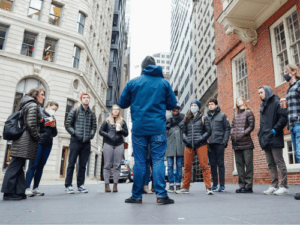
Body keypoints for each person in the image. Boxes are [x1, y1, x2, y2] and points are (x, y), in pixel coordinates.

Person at [119, 56, 177, 204]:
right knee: (158, 160)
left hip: (139, 128)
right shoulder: (164, 83)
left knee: (139, 162)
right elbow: (172, 104)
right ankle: (161, 196)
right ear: (155, 66)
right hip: (158, 128)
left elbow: (122, 103)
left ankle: (137, 196)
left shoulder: (133, 82)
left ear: (142, 68)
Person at [2, 87, 44, 200]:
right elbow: (31, 124)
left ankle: (18, 191)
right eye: (42, 94)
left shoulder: (27, 104)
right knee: (15, 165)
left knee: (19, 165)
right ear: (36, 95)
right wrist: (37, 136)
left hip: (23, 139)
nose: (43, 97)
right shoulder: (33, 105)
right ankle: (8, 192)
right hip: (25, 139)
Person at [176, 100, 213, 195]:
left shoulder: (204, 118)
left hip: (201, 144)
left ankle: (208, 188)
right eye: (192, 105)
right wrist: (186, 140)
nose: (193, 106)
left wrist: (200, 139)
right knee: (187, 167)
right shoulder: (186, 118)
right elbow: (183, 132)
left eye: (195, 105)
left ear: (199, 107)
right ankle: (185, 187)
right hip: (188, 145)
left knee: (204, 166)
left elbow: (208, 131)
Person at [257, 86, 289, 195]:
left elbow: (284, 117)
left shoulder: (276, 102)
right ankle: (274, 185)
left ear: (267, 92)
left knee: (279, 162)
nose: (260, 95)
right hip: (265, 138)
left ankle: (284, 186)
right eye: (258, 93)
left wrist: (275, 129)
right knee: (270, 163)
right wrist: (260, 134)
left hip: (275, 136)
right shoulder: (262, 105)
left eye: (261, 92)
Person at [65, 92, 97, 194]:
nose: (86, 99)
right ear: (81, 99)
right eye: (84, 98)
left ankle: (81, 185)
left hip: (86, 143)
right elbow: (67, 124)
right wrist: (75, 134)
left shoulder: (92, 114)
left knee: (83, 165)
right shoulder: (75, 110)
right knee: (71, 163)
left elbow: (94, 127)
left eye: (88, 98)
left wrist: (90, 136)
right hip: (75, 141)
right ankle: (68, 185)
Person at [25, 101, 59, 197]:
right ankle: (27, 187)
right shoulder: (39, 113)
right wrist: (44, 123)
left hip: (48, 143)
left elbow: (55, 134)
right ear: (48, 106)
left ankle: (35, 188)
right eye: (53, 109)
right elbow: (34, 126)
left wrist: (54, 126)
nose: (54, 112)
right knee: (34, 165)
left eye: (55, 110)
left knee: (41, 166)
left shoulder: (53, 118)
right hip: (39, 142)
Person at [99, 104, 128, 193]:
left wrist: (121, 130)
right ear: (111, 111)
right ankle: (106, 185)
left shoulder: (122, 121)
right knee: (107, 165)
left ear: (119, 111)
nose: (116, 111)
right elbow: (100, 131)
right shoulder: (106, 121)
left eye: (117, 109)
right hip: (108, 144)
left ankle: (115, 185)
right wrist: (108, 135)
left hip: (119, 144)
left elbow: (126, 133)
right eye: (114, 109)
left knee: (117, 165)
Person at [231, 97, 255, 194]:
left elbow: (251, 125)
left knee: (248, 165)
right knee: (239, 166)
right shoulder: (235, 114)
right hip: (236, 144)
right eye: (237, 101)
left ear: (244, 101)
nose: (238, 101)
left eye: (240, 100)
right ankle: (242, 185)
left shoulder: (248, 112)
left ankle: (248, 186)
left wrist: (244, 133)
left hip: (246, 143)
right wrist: (232, 134)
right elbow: (232, 126)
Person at [207, 99, 230, 192]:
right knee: (212, 164)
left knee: (220, 164)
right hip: (210, 144)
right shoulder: (206, 117)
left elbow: (227, 128)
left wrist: (225, 140)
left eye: (212, 104)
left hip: (220, 142)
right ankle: (215, 184)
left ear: (216, 105)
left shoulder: (222, 116)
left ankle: (222, 185)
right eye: (209, 105)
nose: (210, 106)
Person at [284, 64, 300, 200]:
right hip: (292, 125)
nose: (285, 74)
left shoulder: (299, 85)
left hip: (299, 124)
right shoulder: (289, 89)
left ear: (294, 72)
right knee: (299, 155)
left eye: (286, 72)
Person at [166, 106, 185, 192]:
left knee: (179, 165)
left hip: (179, 145)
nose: (175, 111)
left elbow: (185, 131)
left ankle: (178, 184)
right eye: (174, 109)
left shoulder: (182, 119)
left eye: (177, 109)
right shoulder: (167, 119)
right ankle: (170, 184)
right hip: (169, 145)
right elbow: (164, 132)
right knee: (169, 165)